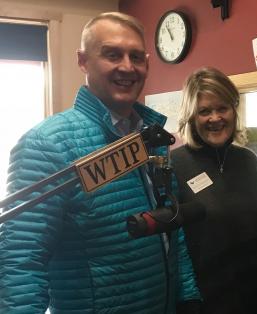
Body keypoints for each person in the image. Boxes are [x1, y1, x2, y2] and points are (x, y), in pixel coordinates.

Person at [0, 12, 200, 313]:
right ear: (83, 61)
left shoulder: (153, 138)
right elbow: (20, 260)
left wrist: (188, 295)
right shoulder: (47, 144)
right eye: (112, 54)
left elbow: (171, 224)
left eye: (136, 56)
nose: (127, 67)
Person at [171, 67, 257, 314]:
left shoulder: (248, 161)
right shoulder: (174, 165)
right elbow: (173, 251)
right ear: (191, 117)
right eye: (204, 111)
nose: (215, 118)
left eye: (222, 108)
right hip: (204, 303)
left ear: (234, 109)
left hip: (256, 300)